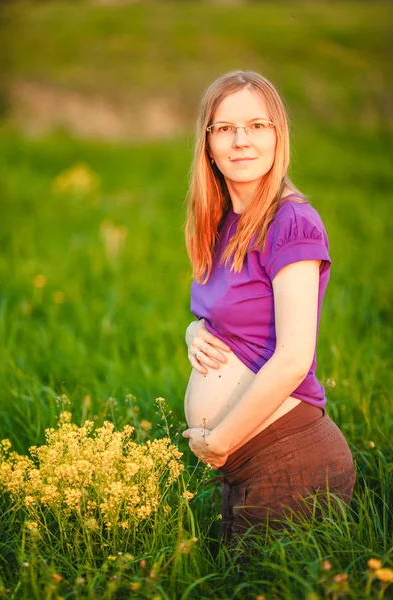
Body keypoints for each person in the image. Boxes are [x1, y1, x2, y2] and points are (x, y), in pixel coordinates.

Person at [182, 70, 356, 543]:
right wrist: (194, 332)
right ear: (209, 144)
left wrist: (218, 441)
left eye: (257, 125)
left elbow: (295, 357)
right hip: (243, 462)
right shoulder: (222, 222)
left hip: (290, 462)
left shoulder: (292, 222)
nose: (241, 141)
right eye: (225, 128)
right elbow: (230, 314)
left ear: (278, 135)